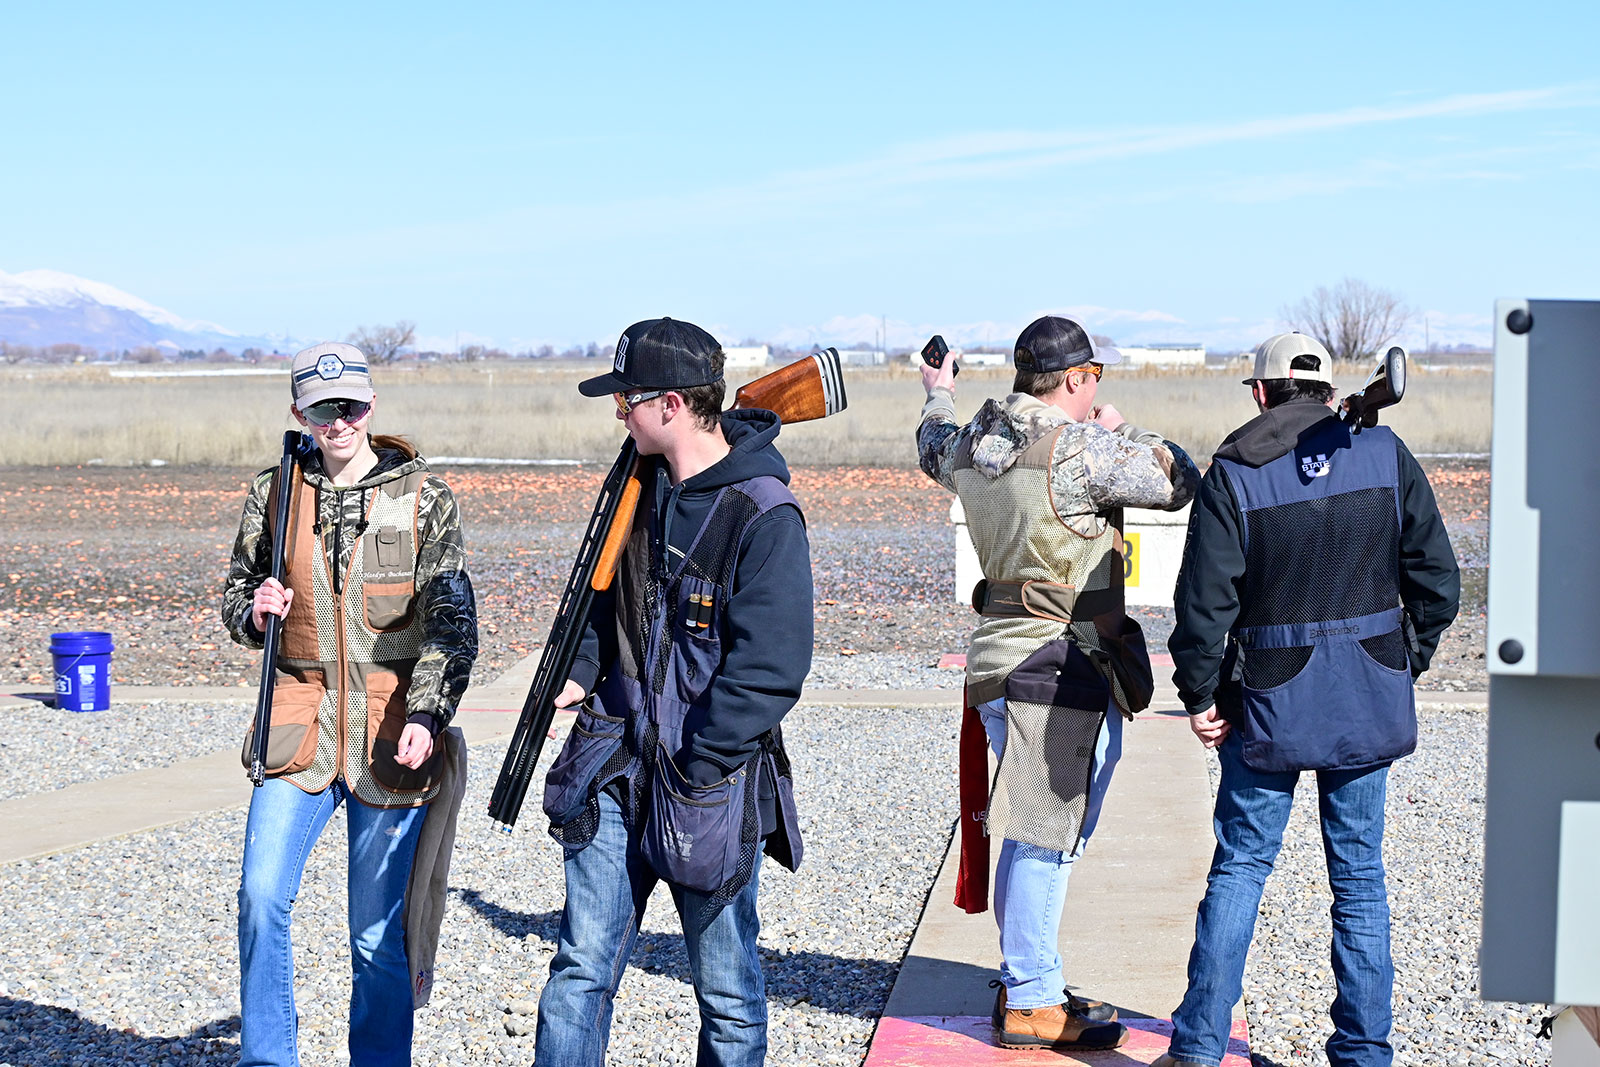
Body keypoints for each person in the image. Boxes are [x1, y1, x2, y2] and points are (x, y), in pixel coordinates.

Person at [1155, 333, 1459, 1067]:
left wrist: (1199, 693)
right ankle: (1363, 1052)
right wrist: (1398, 663)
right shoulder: (1387, 455)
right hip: (1366, 701)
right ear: (1326, 389)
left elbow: (1204, 606)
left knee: (1239, 869)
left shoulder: (1234, 471)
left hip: (1265, 706)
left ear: (1261, 393)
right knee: (1359, 881)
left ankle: (1198, 1049)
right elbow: (1438, 582)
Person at [534, 318, 813, 1067]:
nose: (616, 411)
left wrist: (700, 761)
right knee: (579, 974)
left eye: (625, 398)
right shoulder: (638, 489)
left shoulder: (764, 513)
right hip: (614, 768)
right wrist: (581, 672)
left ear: (670, 405)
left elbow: (773, 666)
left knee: (726, 993)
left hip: (707, 787)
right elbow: (602, 604)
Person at [917, 315, 1199, 1051]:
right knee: (1050, 839)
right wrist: (1124, 428)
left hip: (997, 665)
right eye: (1093, 381)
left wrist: (938, 393)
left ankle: (1028, 977)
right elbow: (1179, 479)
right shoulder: (1080, 446)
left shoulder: (971, 439)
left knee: (1033, 832)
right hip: (1057, 664)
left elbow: (930, 444)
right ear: (1077, 379)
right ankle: (1035, 998)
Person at [222, 341, 478, 1067]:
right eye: (323, 407)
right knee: (260, 898)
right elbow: (237, 594)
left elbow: (452, 621)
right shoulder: (273, 492)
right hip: (296, 722)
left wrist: (428, 715)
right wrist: (256, 610)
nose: (339, 422)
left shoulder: (424, 497)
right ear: (297, 409)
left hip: (390, 731)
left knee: (376, 934)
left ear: (372, 405)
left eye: (352, 406)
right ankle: (268, 1058)